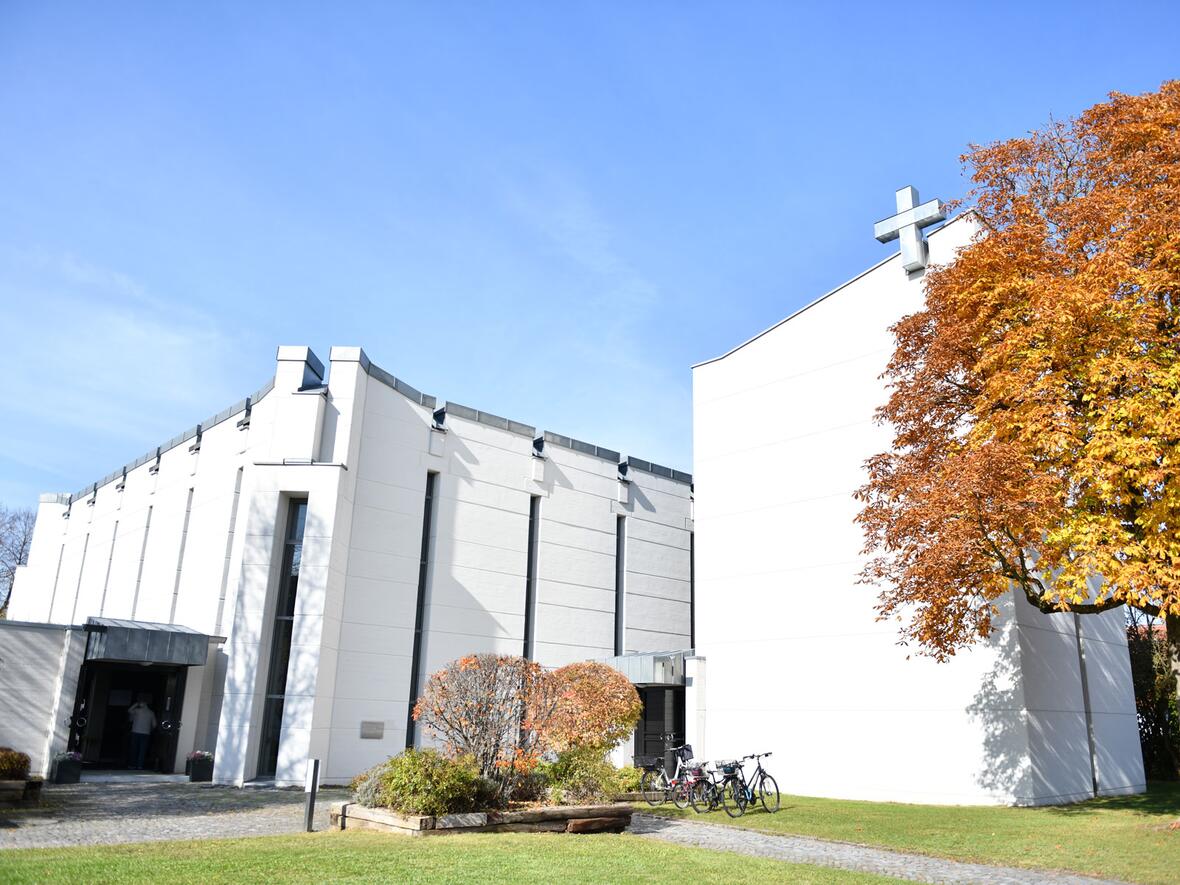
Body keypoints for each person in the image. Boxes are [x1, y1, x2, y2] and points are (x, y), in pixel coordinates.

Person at [127, 694, 157, 770]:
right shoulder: (151, 713)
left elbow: (129, 711)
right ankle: (140, 765)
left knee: (134, 749)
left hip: (135, 732)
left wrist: (135, 704)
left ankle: (132, 765)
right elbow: (154, 725)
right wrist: (149, 729)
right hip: (146, 733)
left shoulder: (137, 711)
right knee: (142, 750)